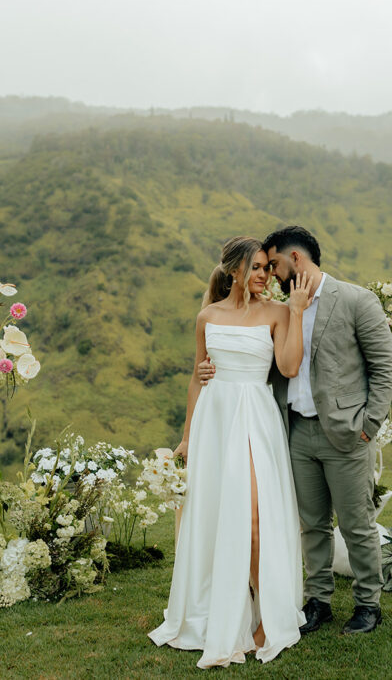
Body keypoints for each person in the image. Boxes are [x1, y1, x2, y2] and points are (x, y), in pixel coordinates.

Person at [200, 225, 392, 635]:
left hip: (345, 434)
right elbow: (264, 359)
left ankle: (367, 605)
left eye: (273, 264)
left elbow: (384, 369)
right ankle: (318, 601)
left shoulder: (357, 301)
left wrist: (367, 428)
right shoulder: (283, 306)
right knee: (312, 524)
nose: (270, 274)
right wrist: (212, 367)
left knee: (356, 524)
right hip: (295, 431)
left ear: (296, 260)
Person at [148, 236, 314, 668]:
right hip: (215, 423)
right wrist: (186, 437)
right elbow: (197, 378)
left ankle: (263, 617)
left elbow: (290, 367)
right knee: (218, 514)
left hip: (256, 419)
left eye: (266, 267)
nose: (264, 275)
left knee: (256, 517)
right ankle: (219, 608)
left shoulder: (278, 311)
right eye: (256, 268)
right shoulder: (208, 316)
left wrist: (295, 312)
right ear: (235, 270)